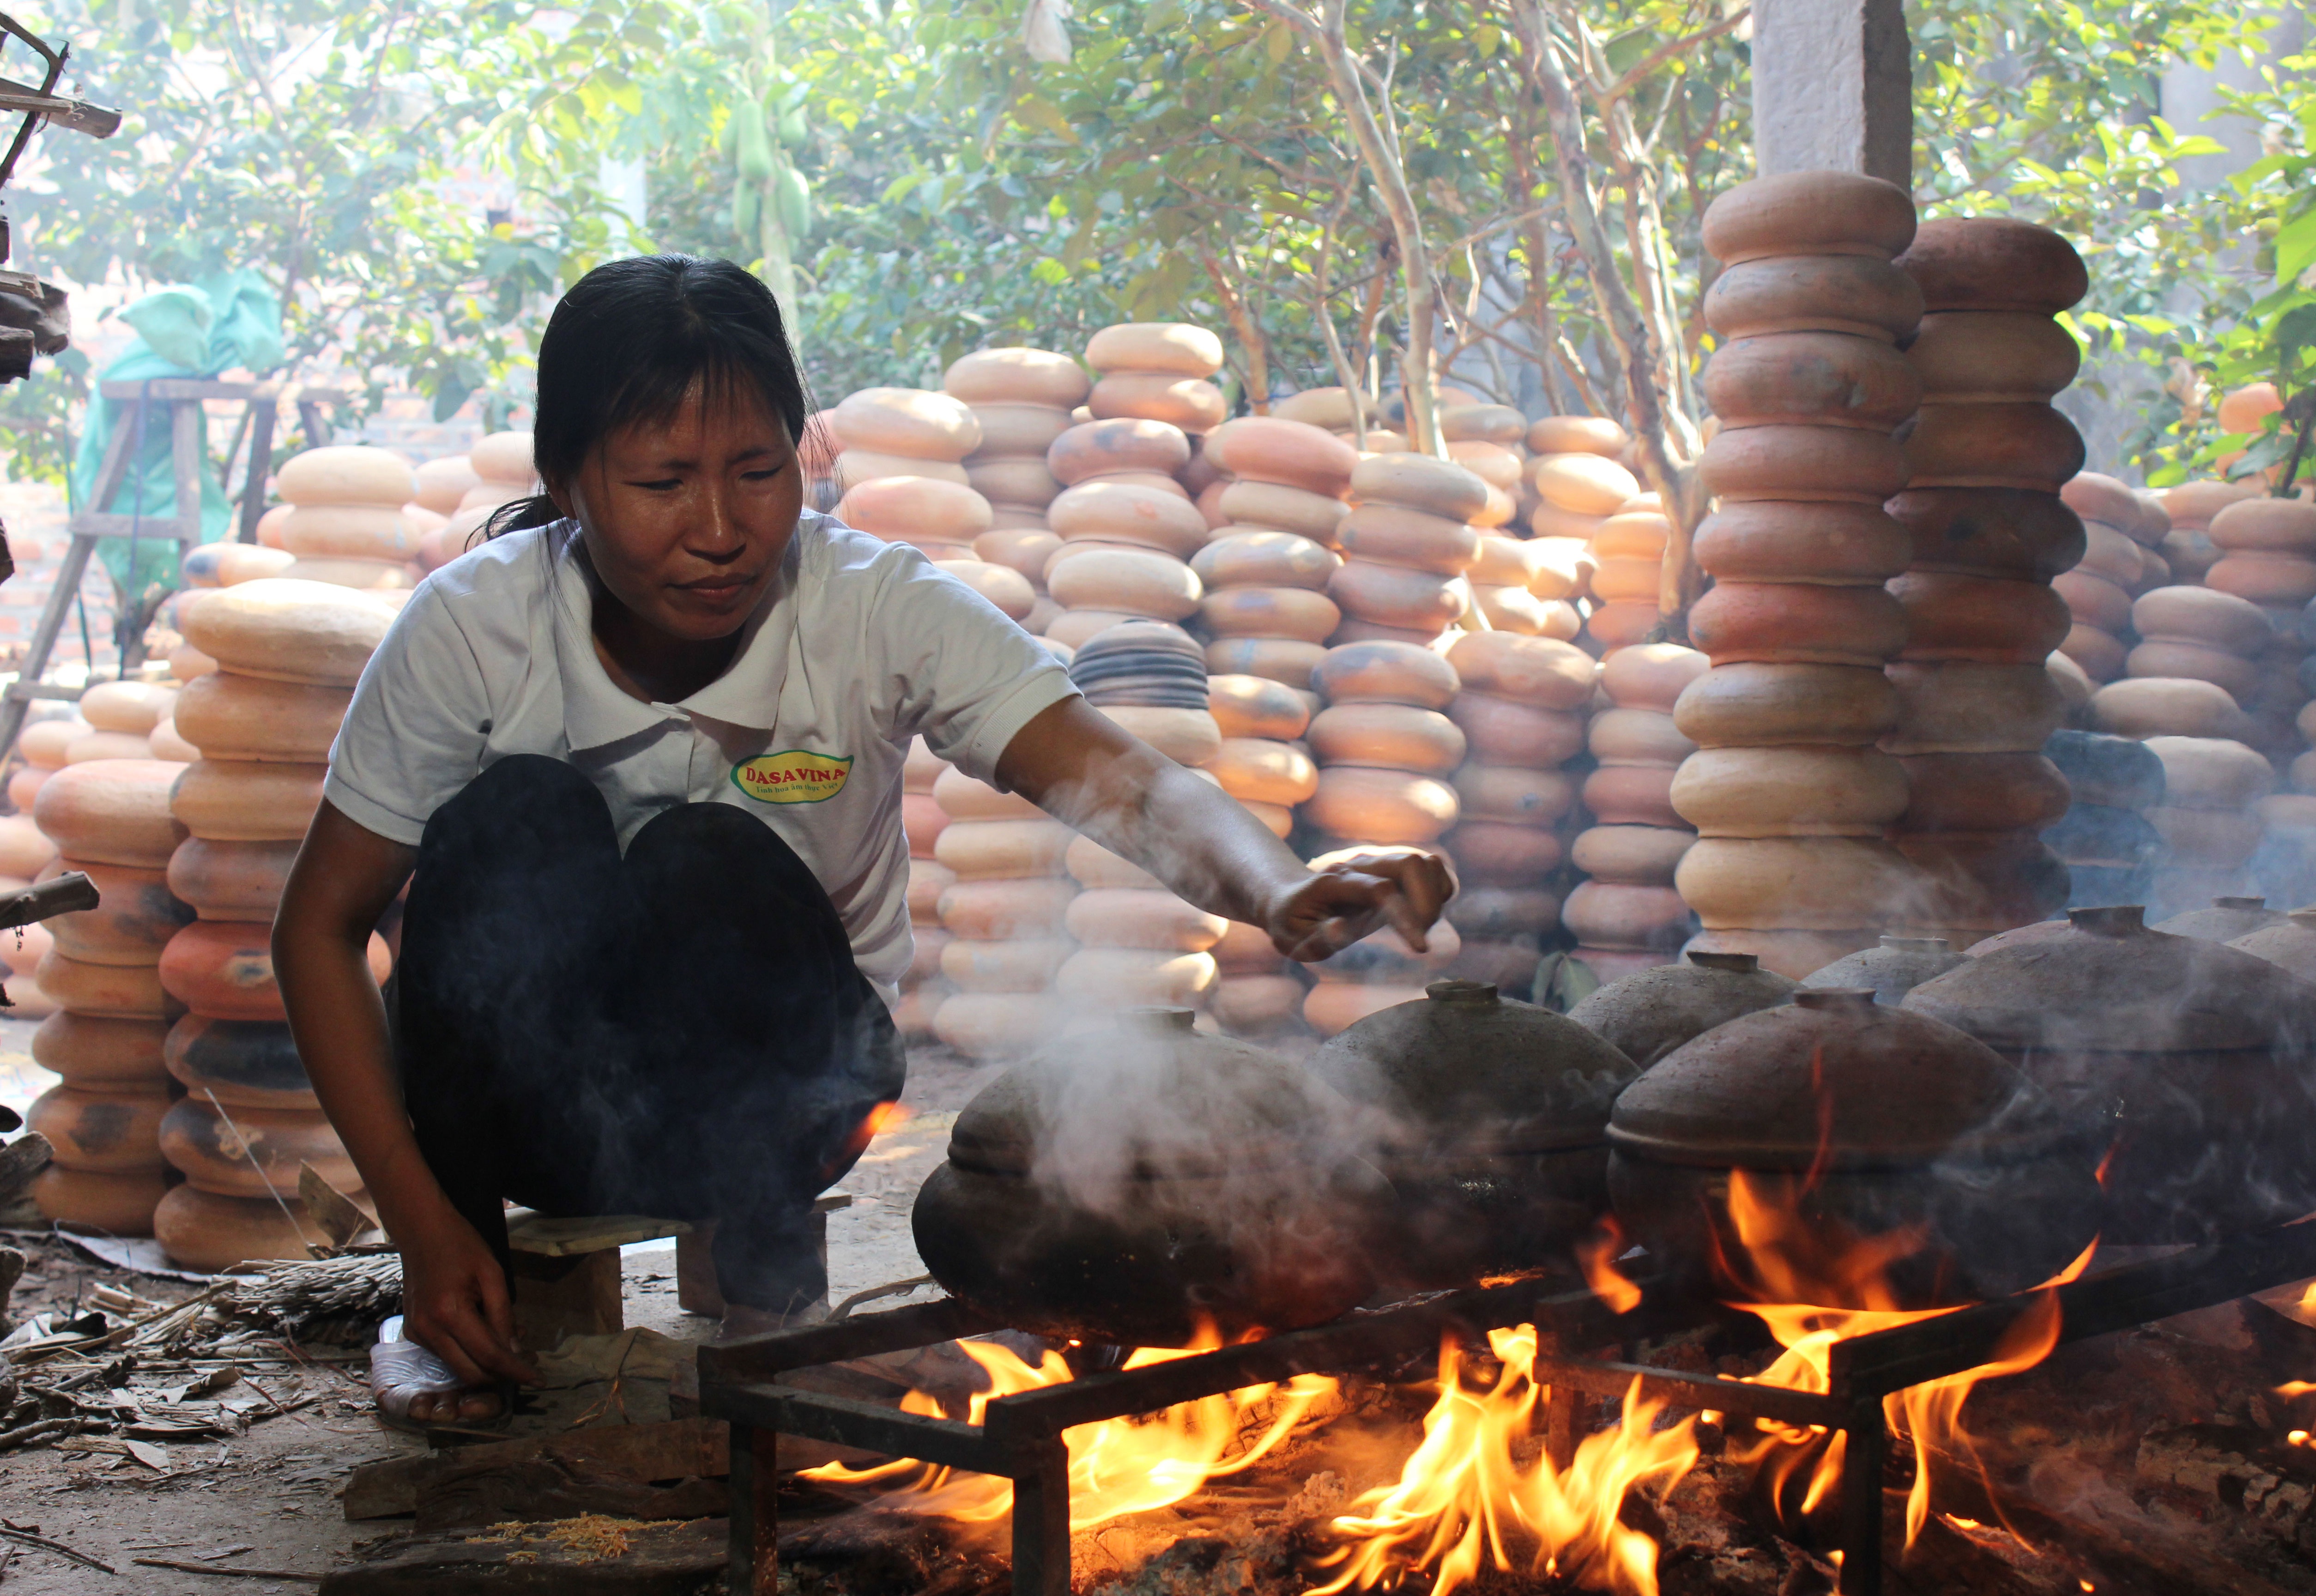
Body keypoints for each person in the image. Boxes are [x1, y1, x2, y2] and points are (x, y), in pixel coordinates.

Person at [271, 254, 1454, 1428]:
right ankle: (455, 1303)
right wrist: (418, 1228)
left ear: (805, 454)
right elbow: (317, 932)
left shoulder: (870, 602)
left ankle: (775, 1301)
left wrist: (1277, 886)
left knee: (708, 858)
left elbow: (1112, 771)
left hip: (787, 1109)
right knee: (516, 813)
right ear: (570, 480)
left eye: (757, 470)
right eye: (663, 481)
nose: (723, 528)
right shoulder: (474, 627)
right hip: (533, 1119)